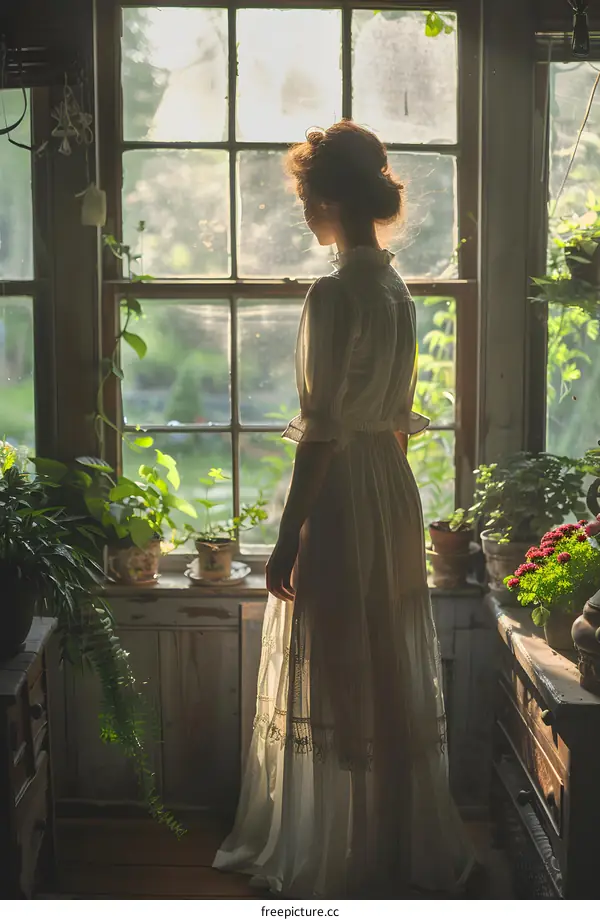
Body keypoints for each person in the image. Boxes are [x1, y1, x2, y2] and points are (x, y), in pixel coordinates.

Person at [213, 120, 475, 897]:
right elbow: (392, 418)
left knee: (336, 658)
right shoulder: (395, 289)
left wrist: (288, 536)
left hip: (342, 488)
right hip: (389, 488)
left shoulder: (334, 293)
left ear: (326, 199)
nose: (301, 212)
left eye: (303, 198)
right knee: (382, 657)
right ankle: (381, 841)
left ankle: (337, 849)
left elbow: (320, 432)